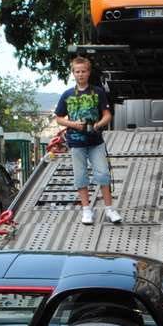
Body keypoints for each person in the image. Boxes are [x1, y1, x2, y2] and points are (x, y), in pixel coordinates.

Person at [55, 55, 121, 225]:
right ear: (73, 73)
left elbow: (107, 115)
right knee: (81, 176)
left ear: (89, 72)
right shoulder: (67, 95)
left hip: (95, 142)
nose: (81, 74)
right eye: (77, 71)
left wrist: (98, 125)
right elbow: (59, 118)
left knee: (103, 174)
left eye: (83, 71)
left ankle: (109, 210)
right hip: (76, 142)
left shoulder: (97, 92)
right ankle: (86, 210)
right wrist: (74, 124)